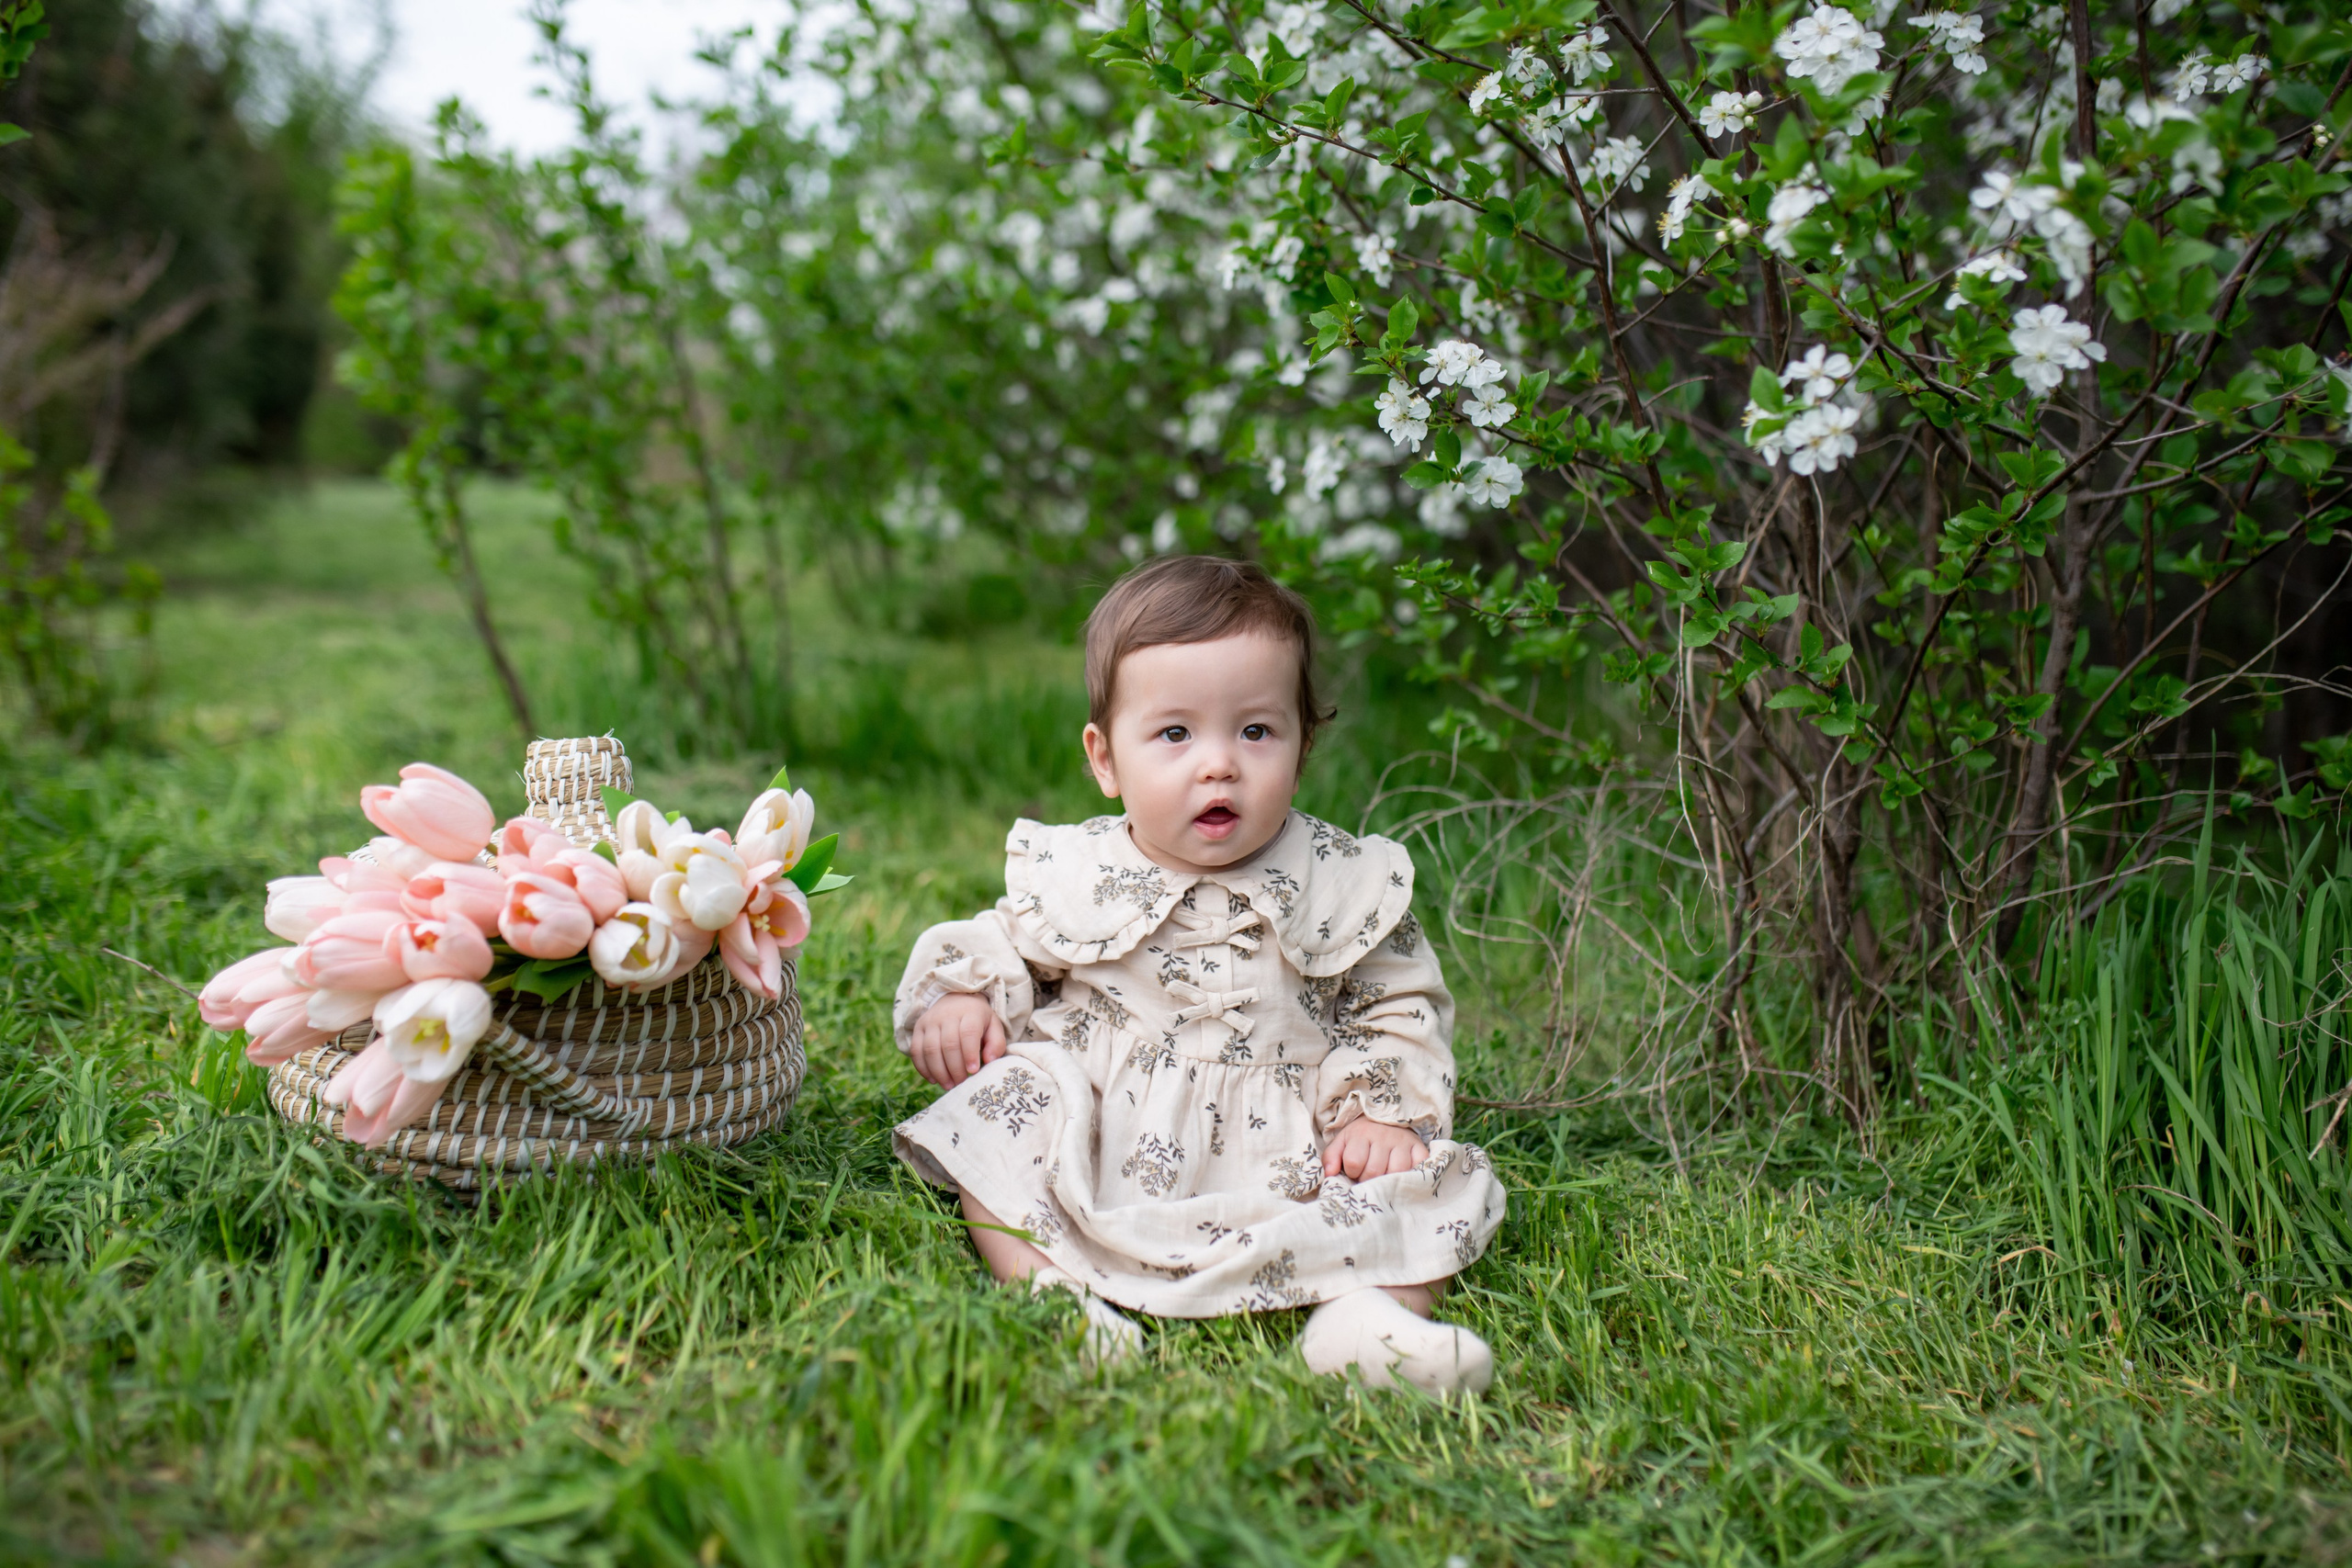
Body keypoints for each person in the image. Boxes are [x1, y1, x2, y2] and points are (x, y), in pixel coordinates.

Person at [891, 555, 1505, 1395]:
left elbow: (1396, 1003)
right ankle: (1053, 1296)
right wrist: (965, 994)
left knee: (1429, 1181)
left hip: (1293, 1143)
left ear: (1303, 745)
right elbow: (1007, 940)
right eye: (1175, 734)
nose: (1218, 764)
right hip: (1105, 1126)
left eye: (1255, 731)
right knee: (996, 1116)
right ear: (1106, 759)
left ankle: (1364, 1319)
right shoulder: (1084, 869)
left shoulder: (1340, 881)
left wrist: (1376, 1110)